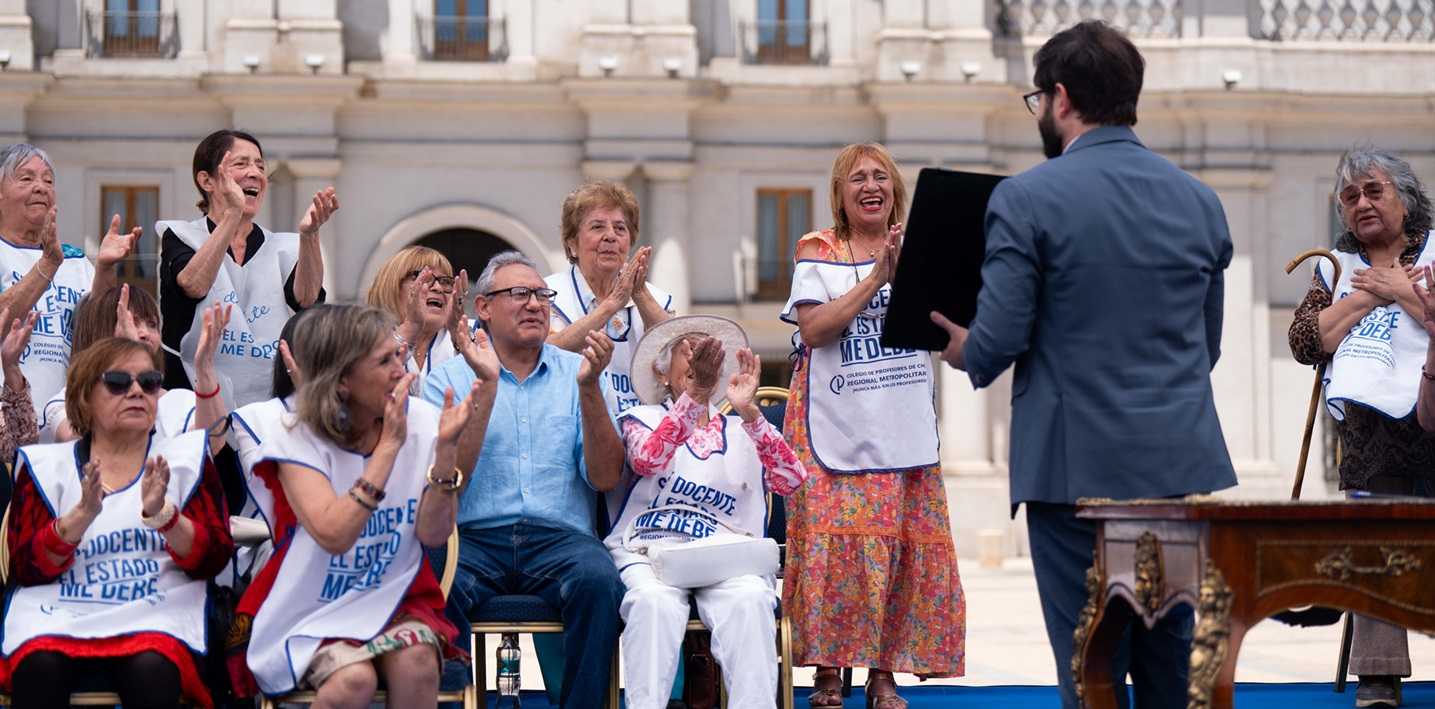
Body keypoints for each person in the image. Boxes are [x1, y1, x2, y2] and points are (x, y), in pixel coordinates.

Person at [927, 20, 1236, 708]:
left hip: (1074, 479)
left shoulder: (1027, 197)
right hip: (1172, 470)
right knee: (1168, 667)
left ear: (1059, 97)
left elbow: (996, 339)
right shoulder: (1200, 201)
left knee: (1089, 669)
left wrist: (960, 347)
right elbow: (1206, 347)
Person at [779, 141, 966, 708]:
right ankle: (829, 674)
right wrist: (877, 279)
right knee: (831, 551)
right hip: (831, 424)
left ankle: (884, 675)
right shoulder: (819, 246)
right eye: (858, 178)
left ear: (895, 190)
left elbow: (946, 322)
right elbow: (814, 330)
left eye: (880, 177)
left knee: (898, 547)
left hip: (901, 422)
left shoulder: (917, 248)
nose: (871, 187)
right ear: (840, 192)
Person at [230, 305, 489, 704]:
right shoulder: (294, 434)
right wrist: (388, 449)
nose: (402, 372)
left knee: (418, 661)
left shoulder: (421, 419)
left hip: (393, 596)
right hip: (312, 606)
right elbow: (334, 534)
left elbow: (433, 533)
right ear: (343, 379)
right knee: (354, 681)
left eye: (399, 356)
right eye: (384, 361)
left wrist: (447, 453)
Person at [423, 250, 626, 707]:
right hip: (473, 537)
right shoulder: (448, 379)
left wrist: (590, 390)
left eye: (542, 295)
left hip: (560, 540)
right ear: (484, 307)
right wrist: (487, 389)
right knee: (437, 585)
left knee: (598, 581)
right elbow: (451, 478)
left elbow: (606, 476)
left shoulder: (580, 372)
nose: (535, 304)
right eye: (519, 294)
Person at [0, 337, 233, 708]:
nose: (137, 391)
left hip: (154, 617)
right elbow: (26, 567)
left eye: (149, 382)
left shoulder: (185, 460)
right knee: (39, 668)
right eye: (118, 382)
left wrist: (165, 517)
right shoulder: (47, 467)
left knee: (151, 670)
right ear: (84, 398)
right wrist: (78, 519)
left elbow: (216, 557)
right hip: (62, 614)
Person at [609, 315, 807, 709]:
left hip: (727, 556)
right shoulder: (640, 419)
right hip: (651, 552)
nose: (701, 358)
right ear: (661, 371)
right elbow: (649, 461)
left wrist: (750, 413)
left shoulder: (742, 428)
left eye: (708, 353)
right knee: (653, 604)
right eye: (689, 350)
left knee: (751, 601)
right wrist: (694, 397)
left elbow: (792, 481)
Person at [1297, 148, 1435, 708]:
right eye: (1350, 196)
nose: (1362, 204)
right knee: (1373, 539)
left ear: (1405, 196)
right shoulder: (1333, 265)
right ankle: (1378, 676)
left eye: (1375, 191)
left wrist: (1399, 290)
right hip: (1369, 437)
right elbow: (1307, 340)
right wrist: (1373, 293)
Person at [158, 129, 335, 409]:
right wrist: (232, 215)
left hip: (266, 405)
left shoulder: (282, 247)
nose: (254, 173)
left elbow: (308, 300)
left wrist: (310, 235)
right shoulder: (181, 236)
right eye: (241, 164)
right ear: (207, 181)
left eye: (260, 166)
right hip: (192, 400)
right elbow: (193, 285)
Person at [0, 143, 139, 416]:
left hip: (65, 425)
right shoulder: (50, 259)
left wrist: (105, 271)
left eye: (48, 180)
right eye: (26, 178)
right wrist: (48, 265)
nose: (41, 187)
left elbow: (98, 333)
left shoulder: (74, 261)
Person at [41, 284, 231, 448]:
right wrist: (126, 357)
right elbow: (76, 440)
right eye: (132, 322)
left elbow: (212, 442)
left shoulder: (179, 400)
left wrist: (204, 367)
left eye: (152, 324)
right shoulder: (68, 399)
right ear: (102, 331)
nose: (144, 333)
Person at [546, 181, 674, 415]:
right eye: (597, 227)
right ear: (572, 244)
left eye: (620, 228)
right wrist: (611, 305)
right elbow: (543, 356)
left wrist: (640, 293)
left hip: (645, 436)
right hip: (573, 427)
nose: (610, 237)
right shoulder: (546, 294)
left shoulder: (657, 299)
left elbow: (675, 360)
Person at [366, 245, 475, 389]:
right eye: (425, 278)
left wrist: (459, 338)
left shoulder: (473, 332)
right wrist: (411, 327)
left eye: (445, 281)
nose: (438, 288)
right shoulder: (365, 337)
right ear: (392, 287)